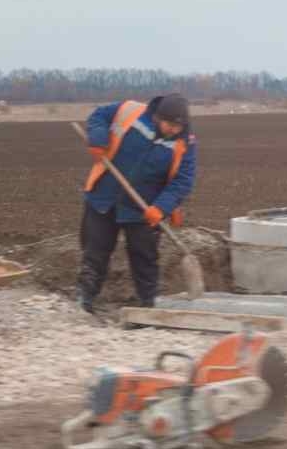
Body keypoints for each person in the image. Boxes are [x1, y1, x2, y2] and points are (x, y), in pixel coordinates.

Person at [77, 92, 197, 311]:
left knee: (145, 258)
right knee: (95, 252)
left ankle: (146, 307)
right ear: (157, 117)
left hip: (145, 207)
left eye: (177, 126)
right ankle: (85, 301)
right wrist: (98, 138)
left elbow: (183, 180)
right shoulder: (129, 111)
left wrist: (161, 208)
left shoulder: (185, 143)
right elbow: (99, 116)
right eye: (169, 124)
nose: (172, 130)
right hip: (105, 195)